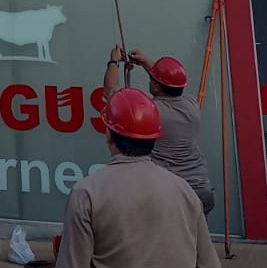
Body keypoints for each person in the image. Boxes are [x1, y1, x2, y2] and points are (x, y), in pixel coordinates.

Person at [55, 88, 218, 268]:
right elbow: (209, 263)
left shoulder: (86, 193)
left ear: (109, 135)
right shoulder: (185, 192)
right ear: (155, 137)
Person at [106, 45, 216, 214]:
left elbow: (112, 93)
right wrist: (145, 62)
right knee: (194, 240)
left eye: (153, 80)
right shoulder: (190, 104)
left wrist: (113, 62)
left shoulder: (154, 112)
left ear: (157, 87)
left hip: (175, 195)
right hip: (202, 193)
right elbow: (170, 81)